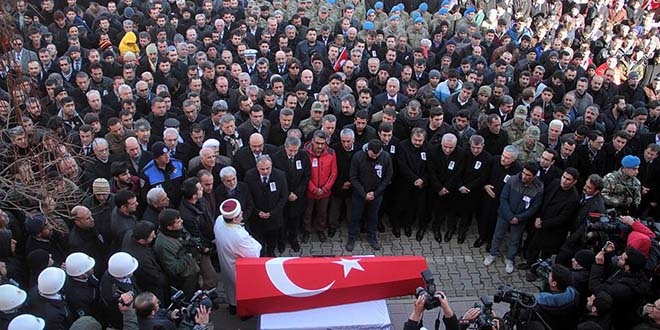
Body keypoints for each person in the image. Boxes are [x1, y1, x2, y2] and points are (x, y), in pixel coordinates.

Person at [484, 161, 544, 274]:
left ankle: (510, 259)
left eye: (528, 175)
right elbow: (503, 198)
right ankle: (492, 254)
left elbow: (534, 208)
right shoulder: (512, 180)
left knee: (514, 240)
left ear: (534, 176)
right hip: (504, 215)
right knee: (498, 235)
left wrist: (519, 218)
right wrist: (509, 215)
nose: (524, 176)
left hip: (520, 219)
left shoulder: (538, 188)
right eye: (524, 173)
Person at [214, 199, 262, 316]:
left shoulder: (219, 220)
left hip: (225, 263)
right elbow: (254, 252)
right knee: (244, 291)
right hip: (238, 269)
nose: (242, 214)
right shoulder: (239, 236)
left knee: (230, 288)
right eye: (240, 213)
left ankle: (232, 307)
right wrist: (252, 241)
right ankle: (245, 314)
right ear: (235, 219)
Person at [346, 139, 393, 252]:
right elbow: (353, 177)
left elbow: (388, 176)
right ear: (368, 150)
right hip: (359, 194)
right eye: (372, 154)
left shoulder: (385, 157)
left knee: (373, 216)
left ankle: (372, 236)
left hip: (376, 194)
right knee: (355, 216)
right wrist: (363, 193)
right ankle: (352, 237)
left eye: (377, 155)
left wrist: (376, 193)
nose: (374, 157)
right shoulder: (358, 157)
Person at [590, 245, 651, 330]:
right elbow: (610, 271)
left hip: (615, 321)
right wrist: (607, 255)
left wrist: (598, 265)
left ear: (627, 267)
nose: (618, 257)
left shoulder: (624, 289)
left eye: (622, 258)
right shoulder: (631, 271)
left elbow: (596, 288)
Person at [153, 209, 200, 299]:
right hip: (184, 279)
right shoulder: (163, 244)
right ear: (169, 227)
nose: (182, 221)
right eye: (178, 222)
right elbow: (173, 268)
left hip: (192, 271)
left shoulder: (178, 230)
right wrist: (188, 255)